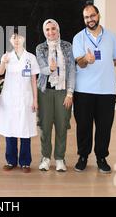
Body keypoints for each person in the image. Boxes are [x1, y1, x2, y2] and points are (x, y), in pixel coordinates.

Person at [72, 4, 116, 173]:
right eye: (86, 17)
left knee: (104, 126)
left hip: (106, 90)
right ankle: (83, 156)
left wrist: (103, 69)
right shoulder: (79, 38)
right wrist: (86, 59)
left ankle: (101, 157)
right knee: (84, 126)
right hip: (84, 90)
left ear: (98, 15)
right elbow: (79, 62)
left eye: (92, 16)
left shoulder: (111, 36)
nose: (89, 19)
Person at [0, 33, 39, 173]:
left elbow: (33, 80)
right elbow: (0, 72)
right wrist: (3, 62)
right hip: (10, 99)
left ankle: (25, 162)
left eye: (19, 37)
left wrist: (35, 99)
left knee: (25, 130)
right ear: (10, 41)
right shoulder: (7, 56)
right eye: (14, 38)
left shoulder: (30, 57)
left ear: (24, 39)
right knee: (10, 129)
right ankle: (11, 160)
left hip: (26, 98)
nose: (17, 40)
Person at [35, 19, 75, 172]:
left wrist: (70, 93)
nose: (50, 32)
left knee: (62, 125)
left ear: (58, 30)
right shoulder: (40, 48)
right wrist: (50, 69)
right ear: (44, 32)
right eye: (47, 30)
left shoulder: (67, 46)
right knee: (45, 127)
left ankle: (59, 158)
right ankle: (45, 157)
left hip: (63, 92)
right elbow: (41, 67)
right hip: (45, 92)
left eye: (53, 29)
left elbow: (71, 71)